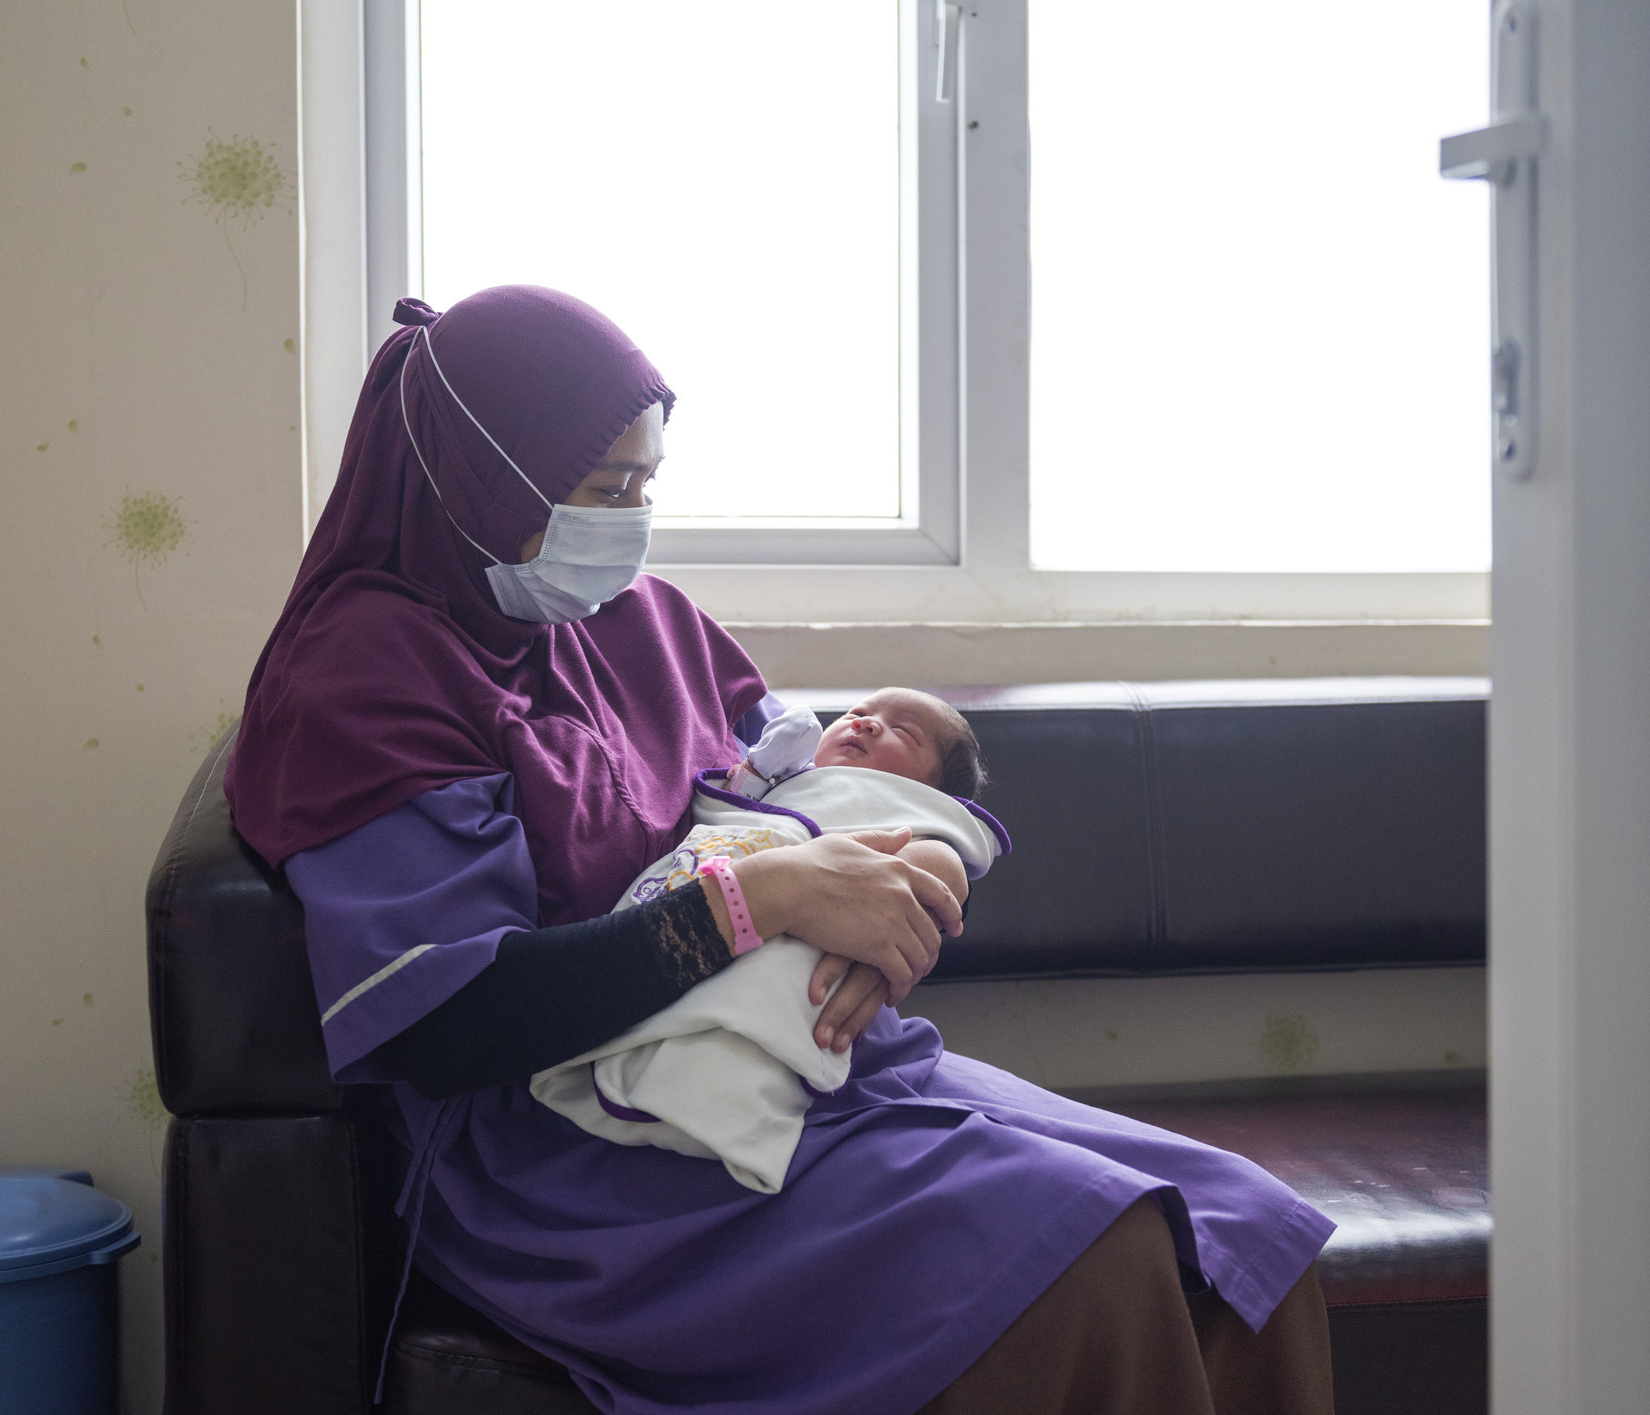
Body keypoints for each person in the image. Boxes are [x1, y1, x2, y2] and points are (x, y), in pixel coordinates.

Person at [226, 286, 1337, 1414]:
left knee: (1239, 1235)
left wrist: (915, 881)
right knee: (1094, 1258)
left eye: (647, 485)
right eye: (603, 491)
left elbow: (826, 792)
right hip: (569, 1146)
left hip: (799, 1063)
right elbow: (445, 1020)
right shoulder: (362, 678)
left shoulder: (637, 621)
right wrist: (761, 898)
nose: (630, 521)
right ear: (480, 480)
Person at [530, 688, 1006, 1194]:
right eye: (857, 713)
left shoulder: (910, 811)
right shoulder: (789, 774)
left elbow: (945, 866)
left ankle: (717, 1101)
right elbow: (725, 807)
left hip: (799, 957)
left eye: (902, 732)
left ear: (932, 790)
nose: (865, 724)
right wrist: (758, 773)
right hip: (695, 909)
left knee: (761, 1004)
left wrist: (922, 873)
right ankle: (637, 1074)